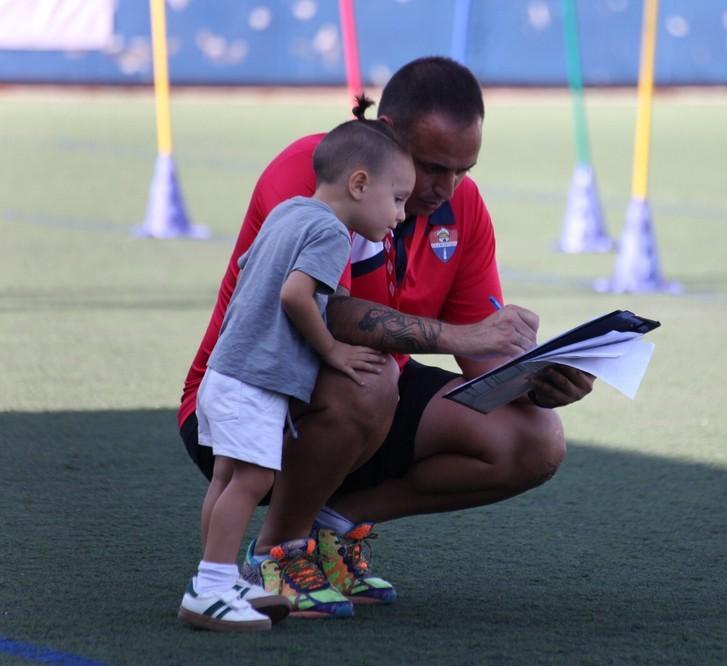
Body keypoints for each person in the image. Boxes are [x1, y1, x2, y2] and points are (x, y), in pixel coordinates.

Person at [178, 56, 595, 619]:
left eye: (464, 170)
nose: (447, 188)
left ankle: (334, 527)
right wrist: (464, 333)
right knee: (371, 377)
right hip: (248, 398)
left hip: (364, 402)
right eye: (432, 167)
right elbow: (331, 314)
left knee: (535, 439)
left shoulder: (461, 206)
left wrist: (536, 378)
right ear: (389, 136)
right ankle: (277, 552)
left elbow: (482, 359)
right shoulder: (312, 172)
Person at [177, 97, 415, 631]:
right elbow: (294, 296)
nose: (400, 216)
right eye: (397, 200)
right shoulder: (333, 232)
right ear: (359, 185)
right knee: (254, 477)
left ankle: (216, 576)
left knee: (226, 478)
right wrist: (331, 351)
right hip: (256, 380)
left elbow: (249, 268)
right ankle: (211, 587)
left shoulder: (290, 212)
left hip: (223, 372)